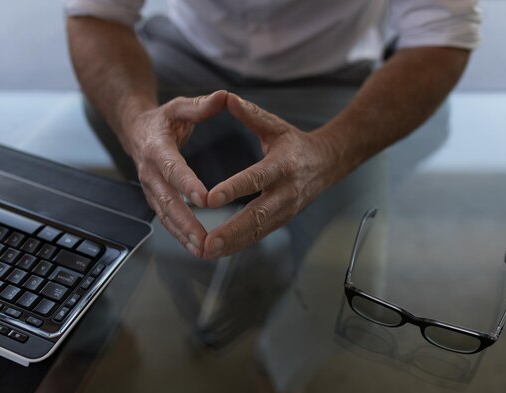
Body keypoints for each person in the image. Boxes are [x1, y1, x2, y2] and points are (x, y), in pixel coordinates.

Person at [63, 0, 480, 261]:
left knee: (349, 276)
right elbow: (96, 13)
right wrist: (136, 123)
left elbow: (441, 34)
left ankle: (275, 374)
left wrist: (332, 153)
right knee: (101, 116)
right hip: (189, 52)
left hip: (331, 77)